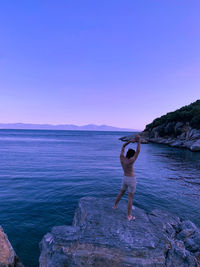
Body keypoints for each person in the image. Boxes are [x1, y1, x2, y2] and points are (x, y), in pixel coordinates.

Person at [113, 135, 141, 221]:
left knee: (121, 193)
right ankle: (129, 216)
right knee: (130, 198)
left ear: (127, 153)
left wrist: (130, 141)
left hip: (124, 178)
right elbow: (138, 151)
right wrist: (138, 141)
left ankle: (115, 206)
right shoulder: (132, 160)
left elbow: (123, 146)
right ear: (132, 155)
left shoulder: (122, 158)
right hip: (131, 179)